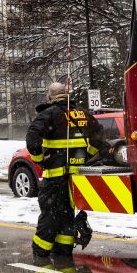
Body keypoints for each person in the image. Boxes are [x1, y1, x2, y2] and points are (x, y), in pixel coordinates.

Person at [27, 82, 105, 263]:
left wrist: (40, 160)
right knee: (66, 213)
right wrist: (88, 156)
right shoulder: (82, 114)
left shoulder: (49, 114)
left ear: (50, 96)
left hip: (55, 178)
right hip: (75, 178)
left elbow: (32, 138)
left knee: (49, 215)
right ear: (67, 95)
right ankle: (63, 251)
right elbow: (99, 135)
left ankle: (41, 253)